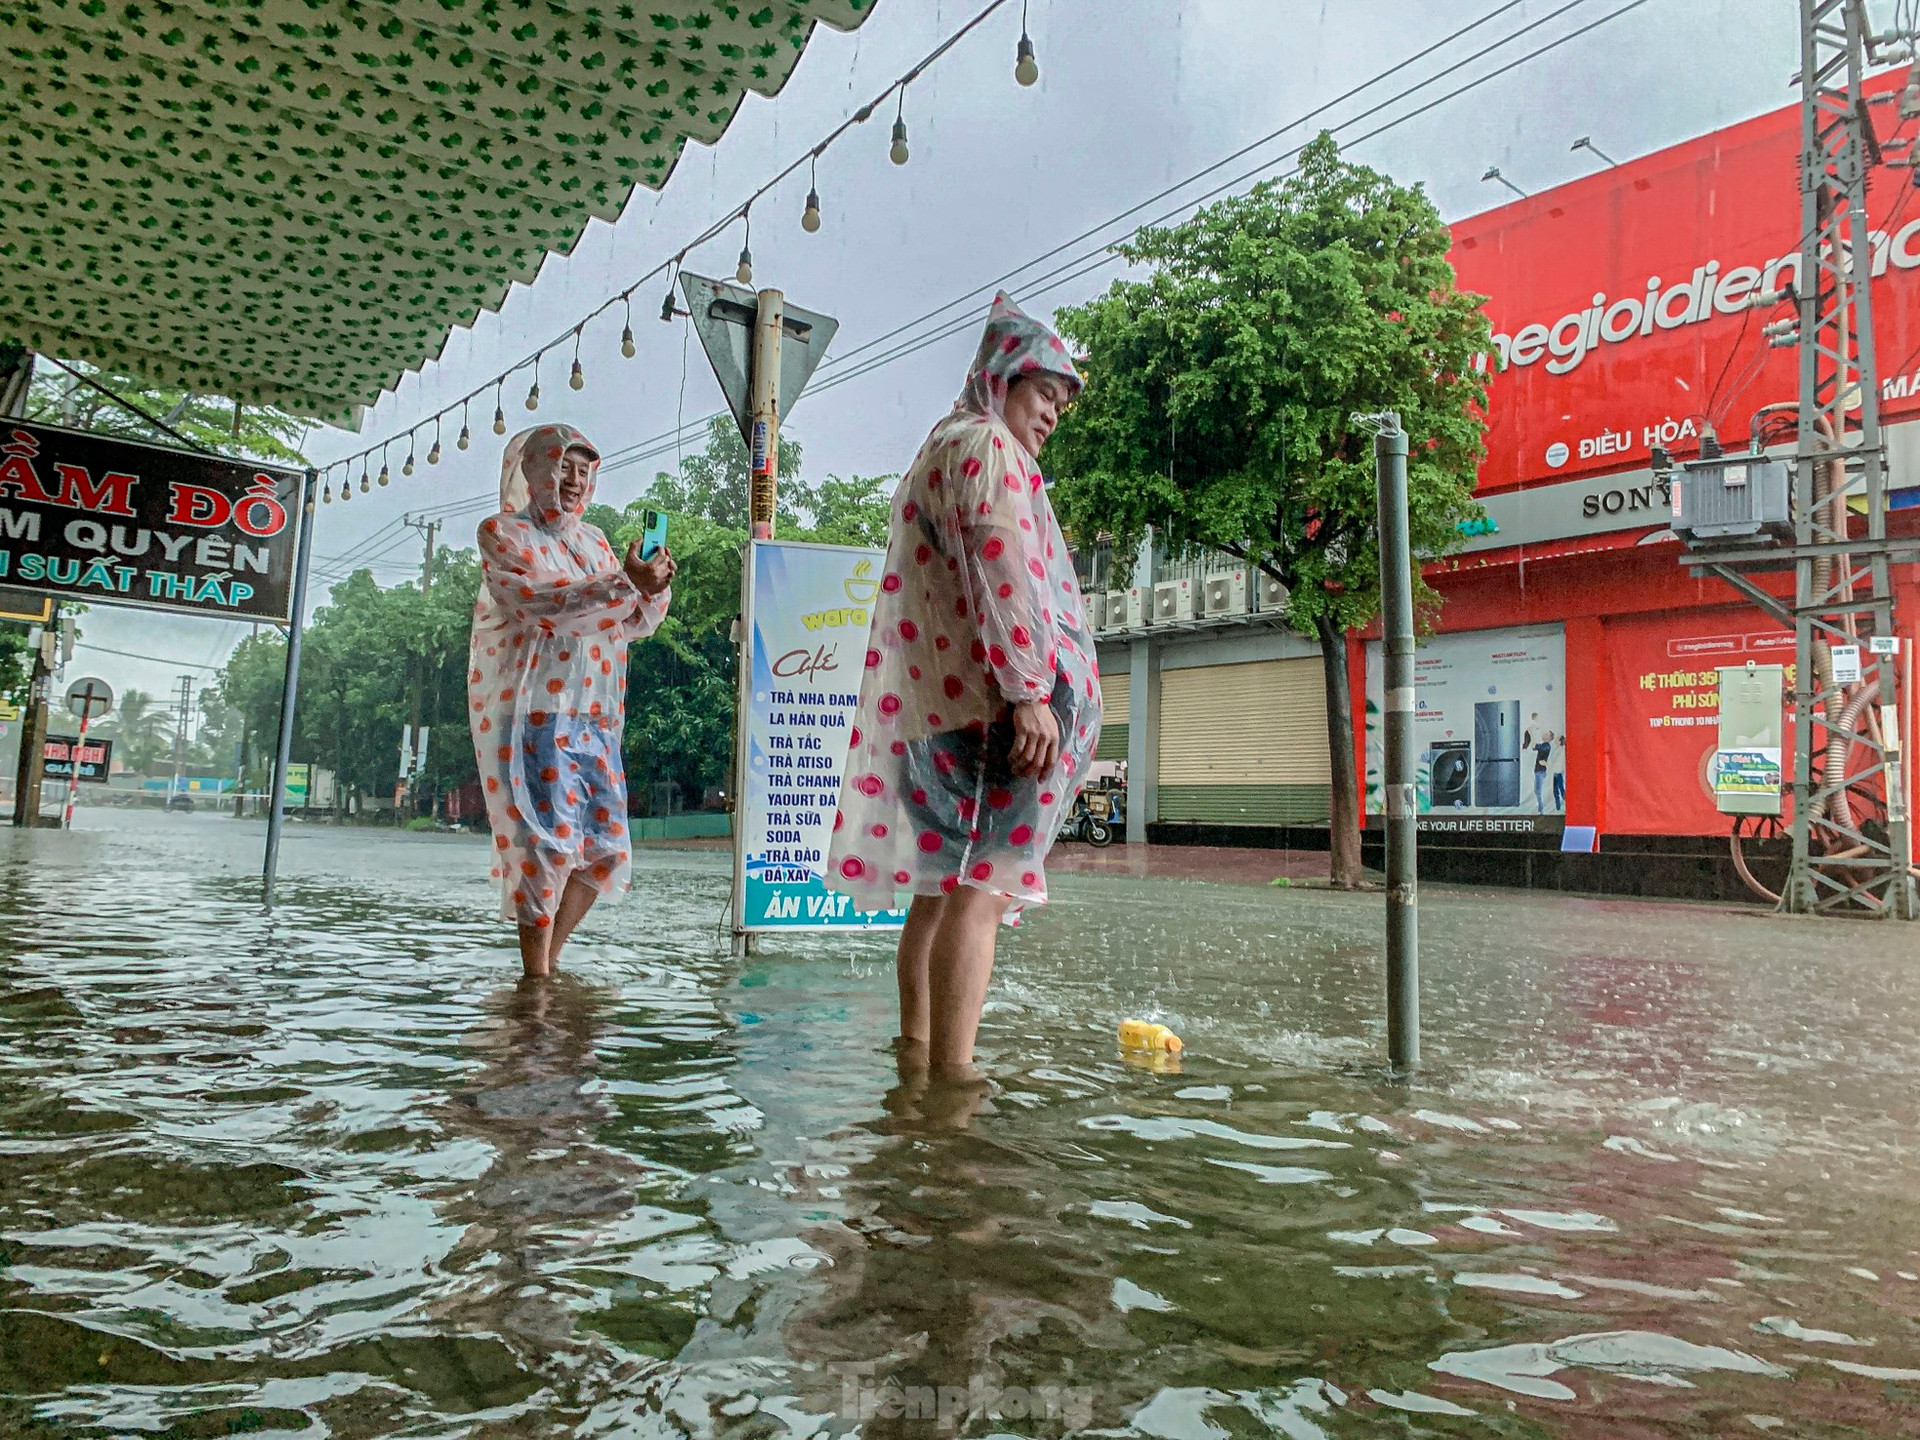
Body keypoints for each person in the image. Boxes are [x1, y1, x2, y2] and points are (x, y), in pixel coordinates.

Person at [826, 294, 1101, 1074]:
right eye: (1045, 391)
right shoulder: (986, 447)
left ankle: (917, 1058)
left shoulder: (940, 447)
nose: (1052, 412)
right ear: (1006, 376)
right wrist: (1027, 692)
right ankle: (953, 1081)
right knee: (978, 892)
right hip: (991, 714)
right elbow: (1002, 569)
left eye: (1061, 401)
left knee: (940, 890)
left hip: (938, 711)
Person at [468, 424, 675, 978]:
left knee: (605, 848)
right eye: (563, 466)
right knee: (548, 845)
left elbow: (629, 623)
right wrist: (623, 585)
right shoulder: (502, 533)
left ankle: (547, 968)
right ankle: (535, 979)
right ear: (533, 470)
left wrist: (650, 587)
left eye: (585, 470)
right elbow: (544, 603)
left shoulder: (596, 542)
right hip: (533, 712)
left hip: (596, 715)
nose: (574, 480)